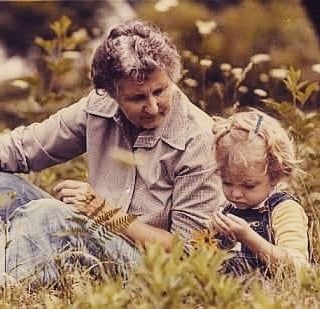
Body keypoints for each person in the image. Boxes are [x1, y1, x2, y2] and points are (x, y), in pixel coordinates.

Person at [0, 19, 224, 284]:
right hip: (93, 234)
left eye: (160, 91)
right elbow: (21, 148)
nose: (152, 107)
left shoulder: (199, 140)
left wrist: (105, 213)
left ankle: (11, 293)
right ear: (113, 94)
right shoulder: (98, 106)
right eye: (137, 98)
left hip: (152, 268)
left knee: (47, 215)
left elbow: (188, 253)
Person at [211, 109, 310, 276]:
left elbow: (298, 269)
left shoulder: (284, 210)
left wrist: (248, 237)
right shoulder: (227, 209)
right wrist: (212, 235)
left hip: (268, 298)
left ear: (275, 176)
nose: (235, 194)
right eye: (227, 183)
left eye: (249, 186)